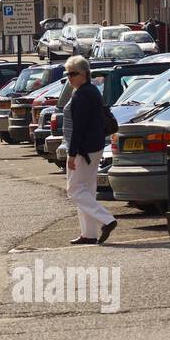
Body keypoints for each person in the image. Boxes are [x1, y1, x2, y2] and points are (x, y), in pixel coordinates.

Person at [63, 56, 117, 245]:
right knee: (87, 190)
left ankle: (107, 219)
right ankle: (89, 234)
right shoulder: (92, 90)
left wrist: (71, 153)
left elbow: (79, 127)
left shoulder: (82, 94)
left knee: (74, 189)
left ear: (84, 74)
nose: (69, 77)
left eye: (73, 73)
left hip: (84, 149)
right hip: (95, 146)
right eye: (67, 73)